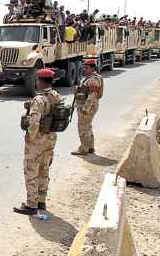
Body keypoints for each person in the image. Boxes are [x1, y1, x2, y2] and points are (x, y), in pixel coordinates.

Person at [14, 68, 62, 215]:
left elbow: (34, 123)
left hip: (37, 141)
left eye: (37, 80)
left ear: (39, 81)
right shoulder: (56, 96)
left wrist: (29, 137)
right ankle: (41, 201)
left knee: (31, 171)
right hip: (51, 138)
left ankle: (31, 205)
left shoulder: (39, 100)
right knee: (44, 169)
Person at [71, 59, 103, 156]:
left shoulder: (94, 79)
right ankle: (90, 147)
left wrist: (86, 108)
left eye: (86, 68)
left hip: (87, 107)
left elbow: (92, 95)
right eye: (84, 68)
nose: (84, 70)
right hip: (86, 106)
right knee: (87, 126)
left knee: (83, 127)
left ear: (92, 68)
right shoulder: (90, 78)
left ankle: (83, 148)